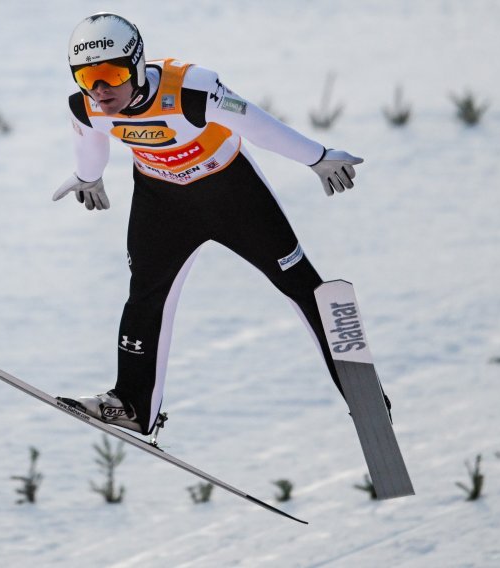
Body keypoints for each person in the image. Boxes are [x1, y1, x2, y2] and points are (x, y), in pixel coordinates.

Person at [55, 12, 367, 436]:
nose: (99, 88)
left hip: (231, 194)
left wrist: (317, 156)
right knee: (145, 296)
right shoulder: (87, 106)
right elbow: (89, 142)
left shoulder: (191, 90)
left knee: (299, 284)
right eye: (86, 76)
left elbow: (257, 126)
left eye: (110, 73)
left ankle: (361, 395)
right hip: (161, 203)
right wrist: (88, 176)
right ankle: (132, 402)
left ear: (136, 64)